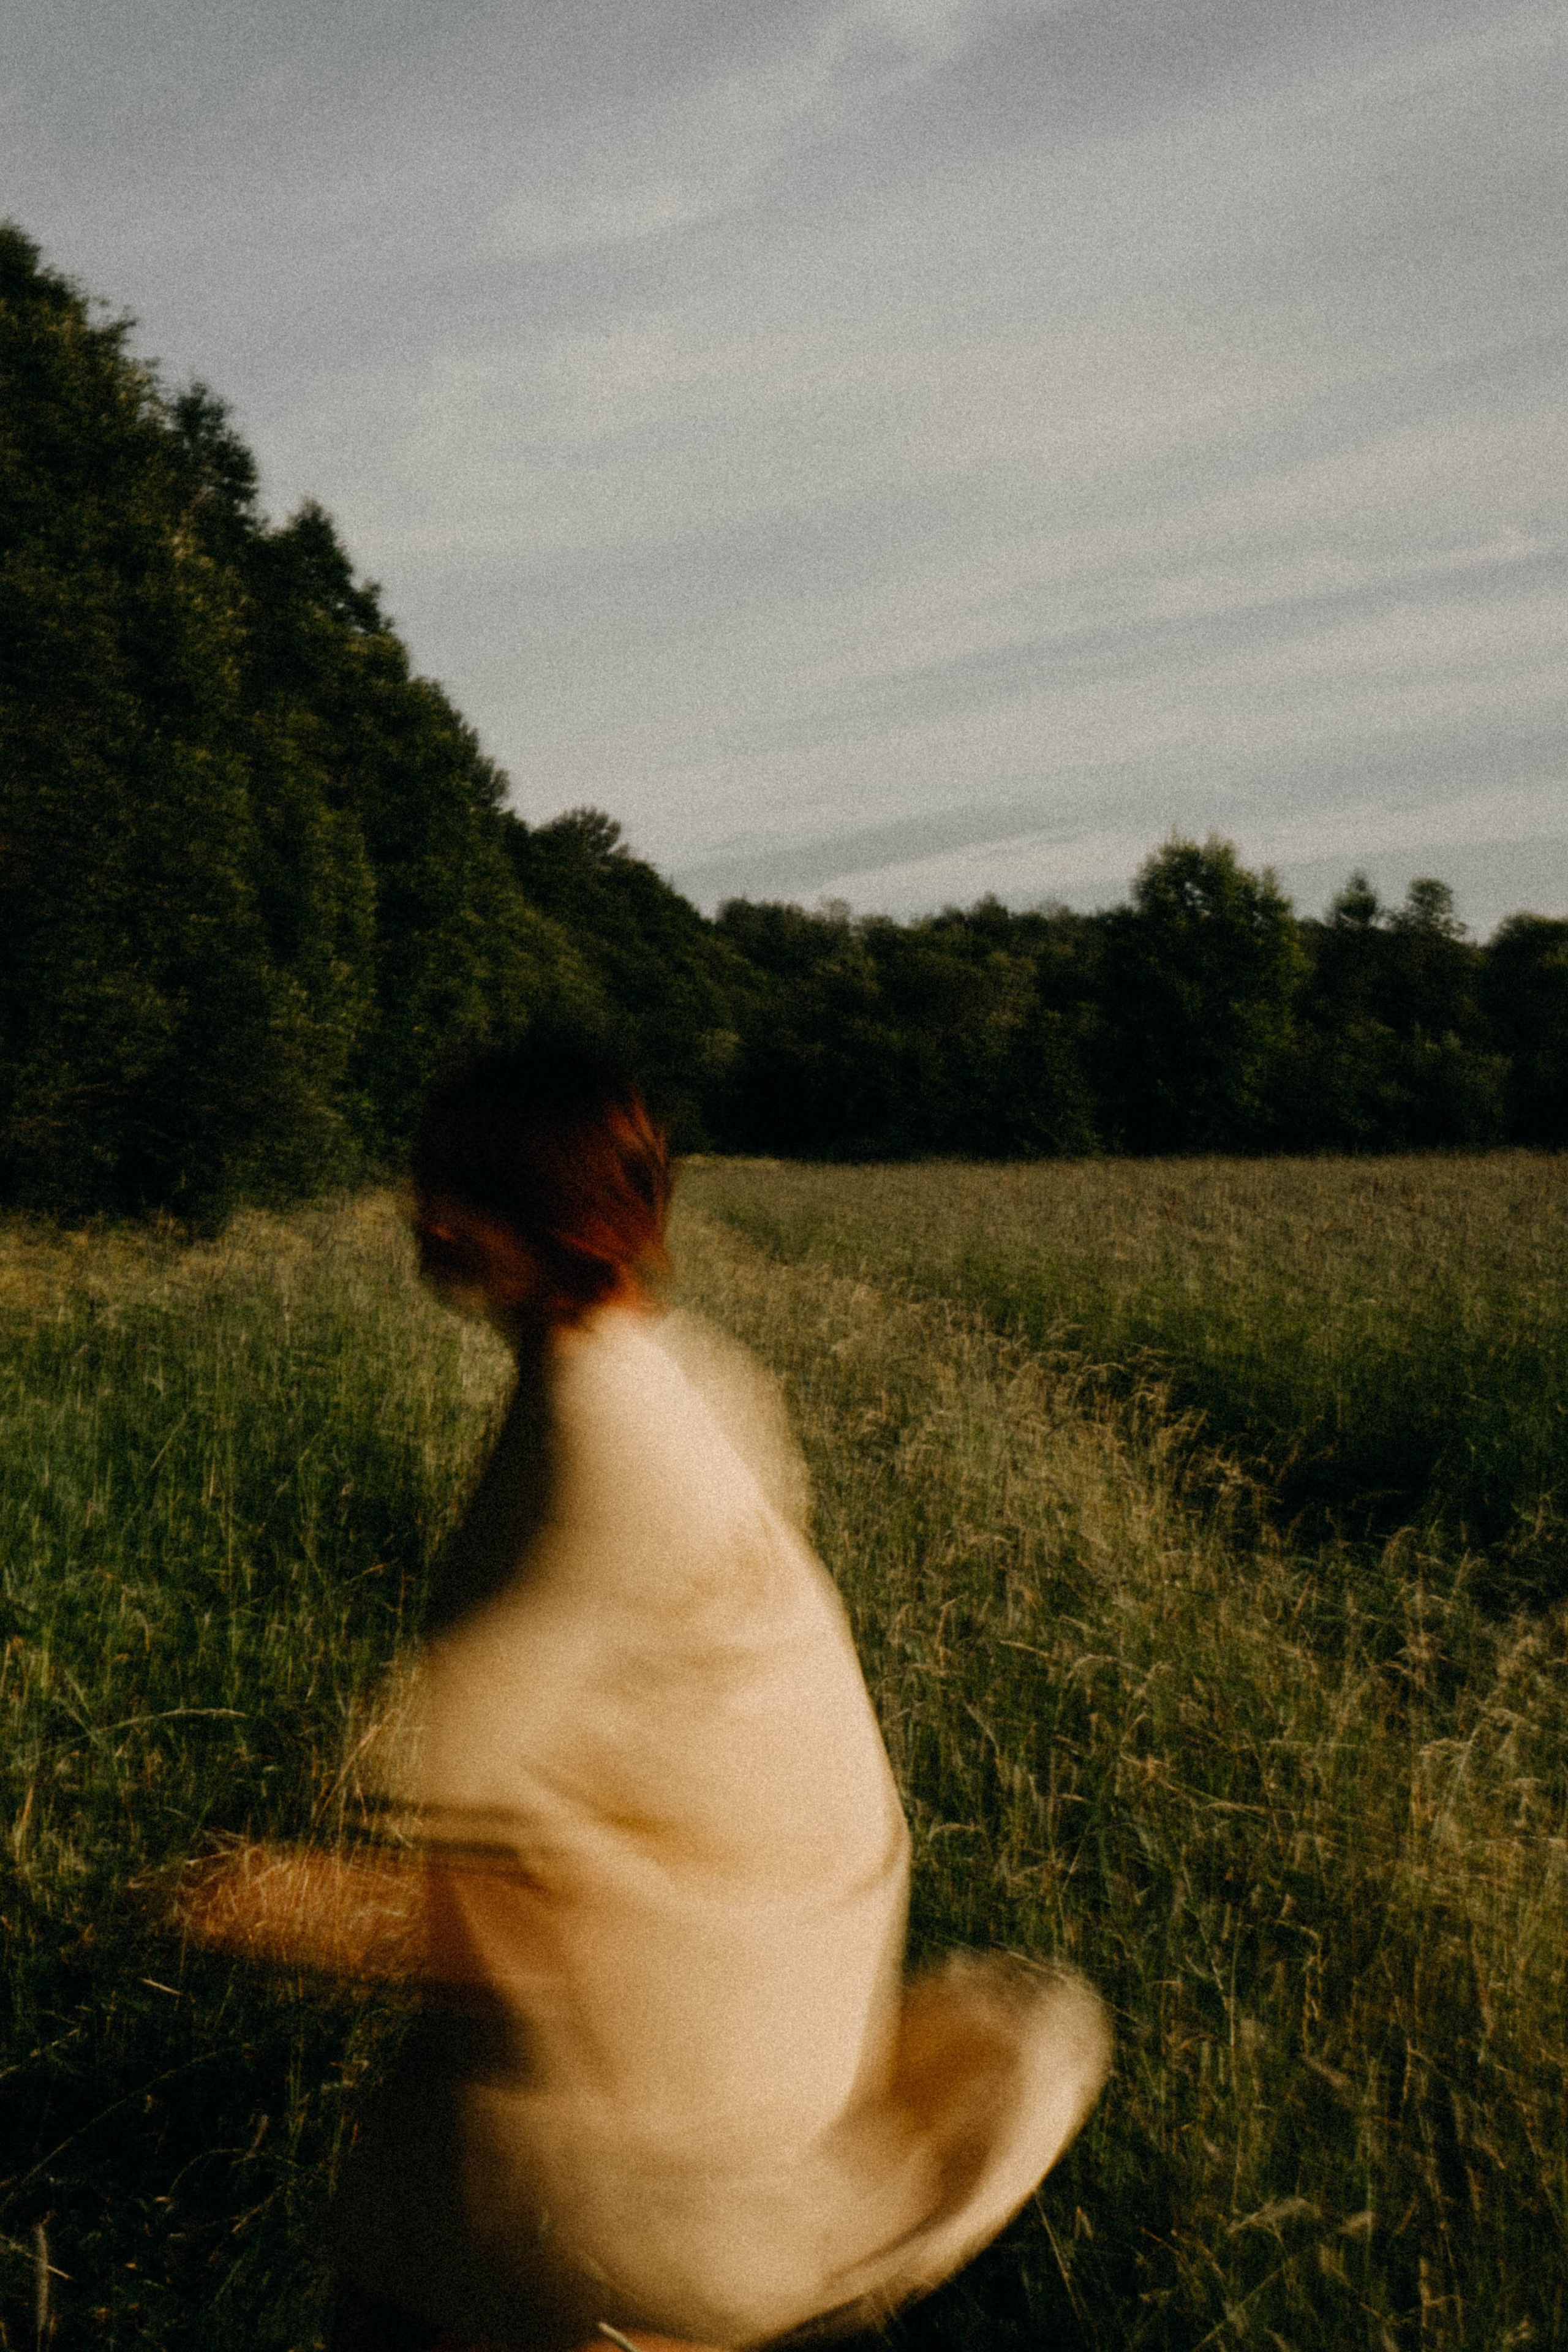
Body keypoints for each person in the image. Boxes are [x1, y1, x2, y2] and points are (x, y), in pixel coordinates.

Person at [182, 1044, 1110, 2352]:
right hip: (784, 2060)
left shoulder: (582, 1459)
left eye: (452, 1185)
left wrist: (260, 1902)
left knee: (426, 2257)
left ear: (509, 1212)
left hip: (647, 2171)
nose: (423, 1215)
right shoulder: (685, 1380)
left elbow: (506, 1911)